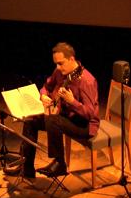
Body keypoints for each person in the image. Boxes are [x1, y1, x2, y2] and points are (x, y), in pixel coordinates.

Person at [6, 42, 99, 179]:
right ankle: (26, 168)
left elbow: (90, 114)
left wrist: (72, 102)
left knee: (53, 119)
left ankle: (60, 163)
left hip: (85, 125)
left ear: (72, 59)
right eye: (56, 64)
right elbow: (46, 87)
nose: (57, 67)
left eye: (60, 63)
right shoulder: (59, 72)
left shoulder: (87, 81)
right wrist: (43, 95)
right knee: (31, 120)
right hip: (65, 118)